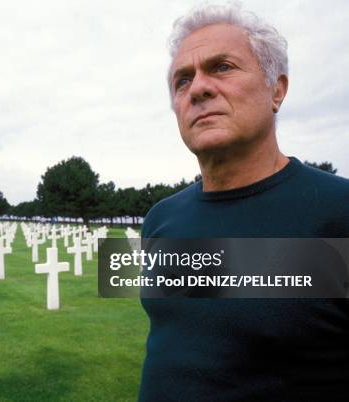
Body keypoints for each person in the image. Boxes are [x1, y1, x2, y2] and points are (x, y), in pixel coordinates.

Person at [138, 3, 349, 402]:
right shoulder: (161, 219)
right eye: (182, 80)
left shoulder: (339, 213)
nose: (198, 88)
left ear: (277, 89)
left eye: (222, 67)